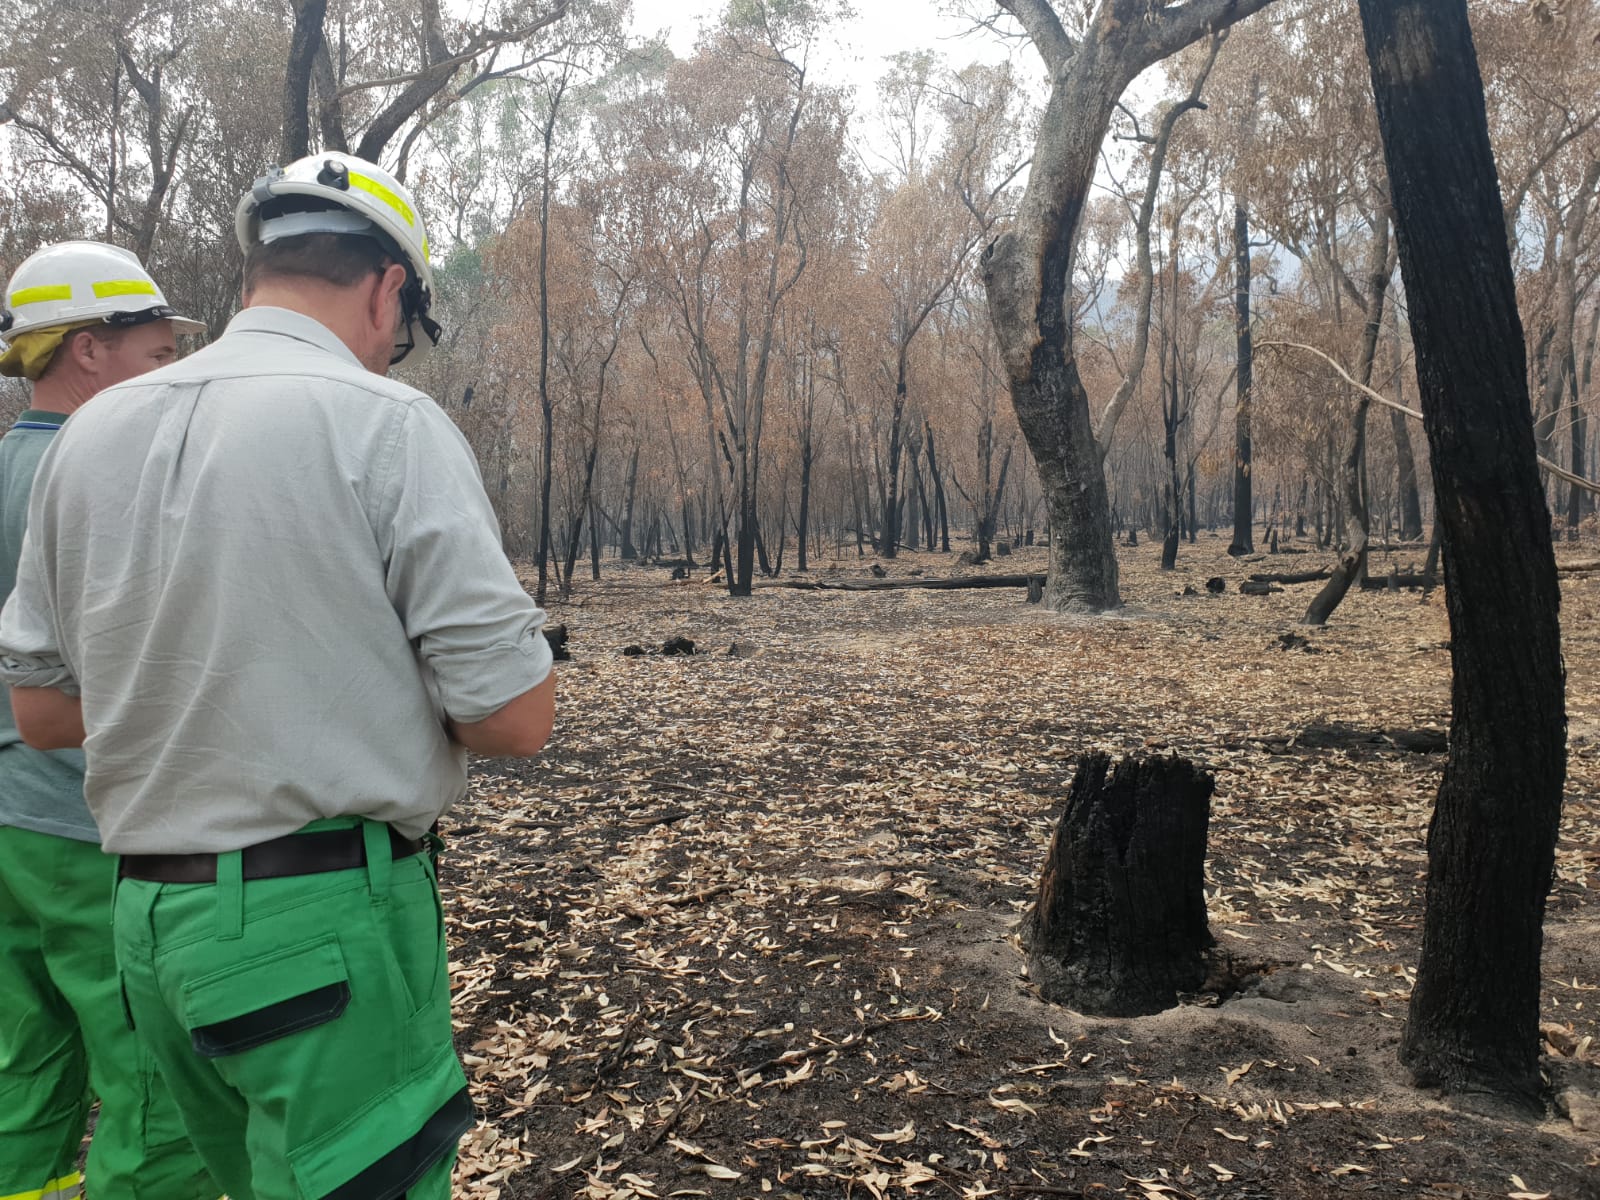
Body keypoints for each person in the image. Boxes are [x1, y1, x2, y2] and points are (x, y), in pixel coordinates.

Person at [0, 153, 556, 1200]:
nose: (394, 347)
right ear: (389, 286)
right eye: (403, 322)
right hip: (322, 921)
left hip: (147, 927)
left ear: (257, 270)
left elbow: (41, 712)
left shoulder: (90, 437)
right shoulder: (385, 423)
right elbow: (516, 718)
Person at [0, 241, 217, 1200]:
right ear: (88, 349)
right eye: (154, 354)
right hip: (88, 832)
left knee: (26, 1069)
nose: (165, 375)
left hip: (7, 835)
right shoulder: (105, 479)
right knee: (159, 1085)